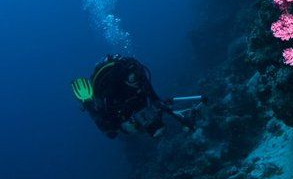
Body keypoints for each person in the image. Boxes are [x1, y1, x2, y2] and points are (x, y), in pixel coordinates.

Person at [71, 54, 203, 139]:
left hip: (130, 101)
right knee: (110, 130)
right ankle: (86, 103)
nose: (137, 81)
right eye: (133, 79)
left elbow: (155, 100)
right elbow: (109, 119)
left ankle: (143, 125)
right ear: (124, 79)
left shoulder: (140, 77)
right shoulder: (111, 89)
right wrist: (121, 120)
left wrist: (174, 115)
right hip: (113, 103)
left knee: (144, 111)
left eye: (138, 77)